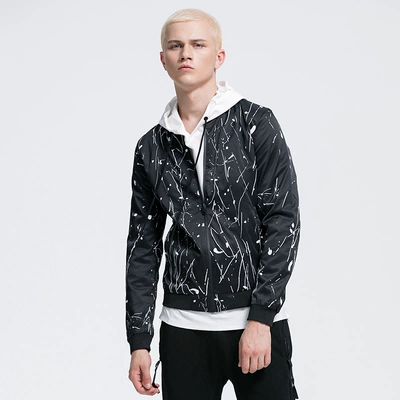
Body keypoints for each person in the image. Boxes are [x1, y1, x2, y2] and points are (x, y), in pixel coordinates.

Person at [125, 8, 300, 400]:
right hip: (182, 329)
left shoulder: (255, 123)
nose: (186, 53)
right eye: (176, 46)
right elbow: (142, 246)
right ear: (163, 59)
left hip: (254, 323)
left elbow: (283, 221)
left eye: (198, 44)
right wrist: (139, 339)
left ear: (219, 56)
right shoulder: (151, 146)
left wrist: (261, 317)